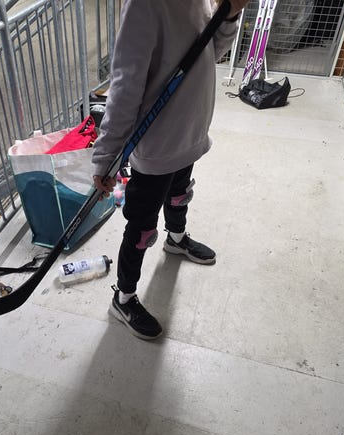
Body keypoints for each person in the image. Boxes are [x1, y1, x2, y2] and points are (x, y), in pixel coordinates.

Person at [92, 0, 250, 340]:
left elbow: (209, 52)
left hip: (189, 131)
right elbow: (125, 85)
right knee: (142, 227)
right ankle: (124, 298)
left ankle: (176, 239)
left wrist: (230, 14)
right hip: (157, 144)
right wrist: (106, 157)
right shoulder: (144, 5)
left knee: (180, 193)